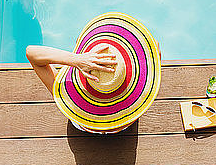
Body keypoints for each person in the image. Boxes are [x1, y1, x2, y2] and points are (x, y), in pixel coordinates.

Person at [26, 12, 162, 134]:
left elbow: (31, 52)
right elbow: (154, 48)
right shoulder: (132, 109)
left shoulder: (71, 101)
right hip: (124, 128)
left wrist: (76, 59)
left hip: (82, 126)